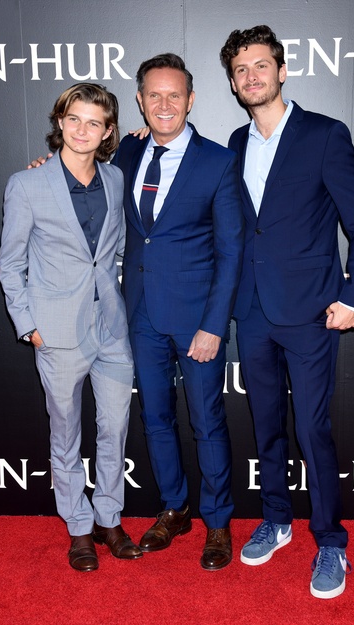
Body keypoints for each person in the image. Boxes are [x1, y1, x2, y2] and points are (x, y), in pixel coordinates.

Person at [220, 26, 354, 597]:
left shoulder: (324, 134)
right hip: (253, 310)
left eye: (261, 65)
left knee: (312, 429)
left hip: (313, 310)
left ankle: (331, 542)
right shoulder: (233, 144)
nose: (252, 77)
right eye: (241, 70)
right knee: (266, 425)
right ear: (233, 83)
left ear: (282, 71)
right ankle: (277, 519)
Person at [0, 83, 142, 572]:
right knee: (65, 435)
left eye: (94, 122)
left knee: (115, 429)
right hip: (57, 330)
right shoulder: (27, 184)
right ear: (60, 122)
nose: (83, 130)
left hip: (112, 327)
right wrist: (28, 325)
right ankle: (78, 526)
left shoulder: (116, 179)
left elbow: (115, 249)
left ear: (107, 131)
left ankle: (108, 518)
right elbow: (10, 263)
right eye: (74, 119)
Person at [113, 53, 244, 570]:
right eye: (154, 95)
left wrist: (214, 325)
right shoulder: (127, 151)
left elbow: (231, 252)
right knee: (156, 418)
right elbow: (79, 170)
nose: (164, 104)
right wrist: (44, 168)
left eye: (174, 95)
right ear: (140, 100)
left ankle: (218, 522)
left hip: (197, 320)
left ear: (191, 100)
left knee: (207, 422)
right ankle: (175, 508)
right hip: (140, 314)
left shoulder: (218, 161)